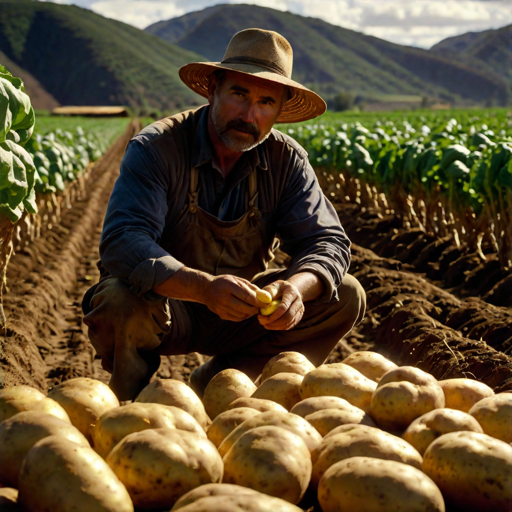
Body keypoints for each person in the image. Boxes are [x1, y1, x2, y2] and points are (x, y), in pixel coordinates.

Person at [82, 28, 366, 400]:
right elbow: (123, 242)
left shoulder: (286, 160)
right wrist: (203, 288)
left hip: (245, 310)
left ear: (280, 110)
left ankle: (230, 384)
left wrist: (295, 290)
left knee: (343, 294)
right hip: (166, 307)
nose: (249, 115)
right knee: (117, 299)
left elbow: (326, 240)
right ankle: (128, 403)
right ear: (214, 88)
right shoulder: (157, 148)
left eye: (266, 102)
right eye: (239, 94)